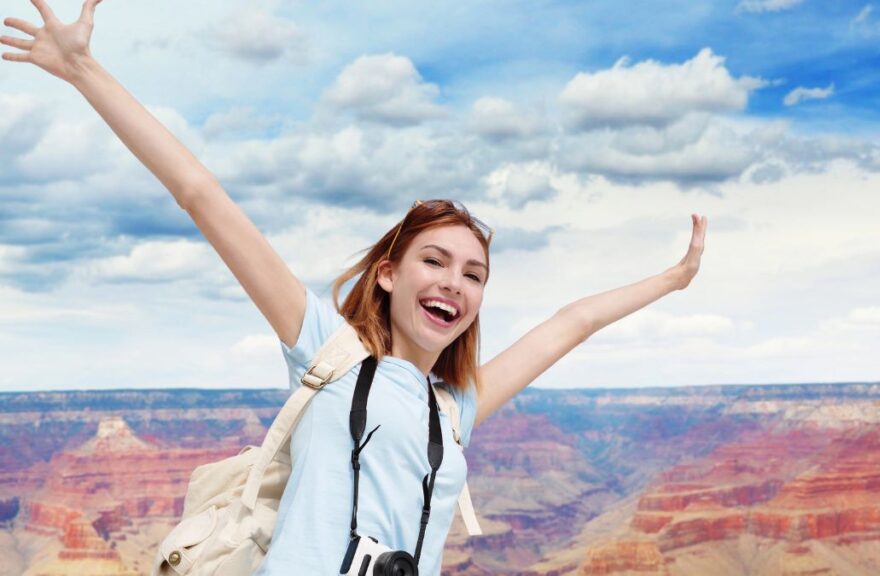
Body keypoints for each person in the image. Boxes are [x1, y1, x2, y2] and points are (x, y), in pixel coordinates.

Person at [1, 1, 708, 574]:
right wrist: (84, 71)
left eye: (474, 275)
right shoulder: (328, 353)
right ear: (389, 273)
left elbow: (571, 322)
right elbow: (201, 195)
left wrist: (674, 280)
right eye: (434, 261)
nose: (454, 284)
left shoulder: (456, 408)